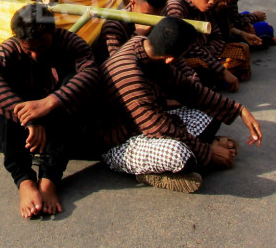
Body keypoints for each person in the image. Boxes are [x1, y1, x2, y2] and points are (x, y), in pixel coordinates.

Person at [100, 17, 263, 194]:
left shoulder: (145, 46)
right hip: (118, 143)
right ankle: (156, 170)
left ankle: (194, 156)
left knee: (212, 112)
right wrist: (208, 152)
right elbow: (161, 128)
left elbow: (188, 90)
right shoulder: (131, 76)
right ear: (170, 59)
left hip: (151, 124)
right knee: (177, 153)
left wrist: (238, 109)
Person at [0, 3, 100, 219]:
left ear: (52, 32)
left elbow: (90, 73)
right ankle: (24, 180)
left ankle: (49, 180)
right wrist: (31, 119)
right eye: (29, 50)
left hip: (59, 122)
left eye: (41, 47)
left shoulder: (70, 42)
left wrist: (51, 102)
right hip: (25, 125)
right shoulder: (9, 48)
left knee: (76, 87)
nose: (35, 55)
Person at [165, 0, 240, 92]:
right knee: (199, 67)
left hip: (205, 53)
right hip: (184, 57)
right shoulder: (176, 7)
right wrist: (221, 69)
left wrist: (208, 52)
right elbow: (184, 44)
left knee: (242, 50)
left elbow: (218, 36)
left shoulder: (207, 8)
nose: (211, 2)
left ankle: (215, 77)